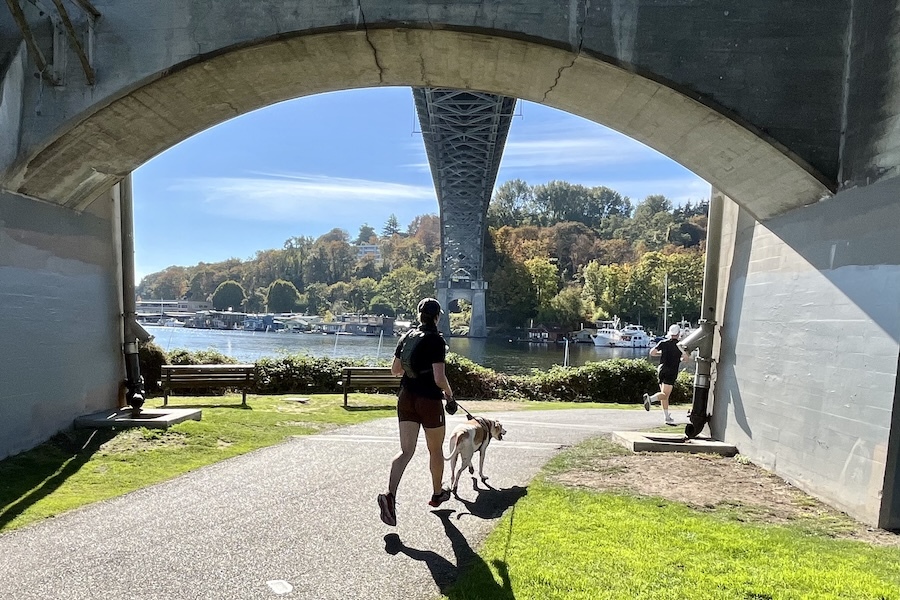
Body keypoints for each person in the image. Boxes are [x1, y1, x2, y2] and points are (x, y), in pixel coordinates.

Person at [377, 297, 456, 526]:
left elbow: (395, 370)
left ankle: (389, 495)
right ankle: (437, 493)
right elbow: (439, 378)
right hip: (429, 400)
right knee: (435, 450)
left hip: (406, 397)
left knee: (405, 451)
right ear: (437, 316)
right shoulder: (436, 341)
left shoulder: (407, 337)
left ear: (419, 314)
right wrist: (450, 396)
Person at [643, 323, 690, 424]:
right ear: (678, 334)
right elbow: (686, 359)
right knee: (664, 394)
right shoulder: (680, 346)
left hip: (661, 369)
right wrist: (680, 358)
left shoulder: (663, 343)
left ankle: (666, 417)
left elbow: (652, 352)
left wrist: (663, 353)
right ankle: (650, 399)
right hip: (671, 371)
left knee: (664, 395)